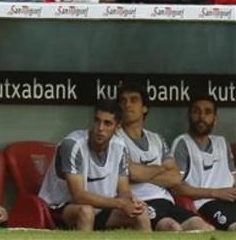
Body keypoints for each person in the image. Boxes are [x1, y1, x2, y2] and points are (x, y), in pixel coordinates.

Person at [39, 100, 152, 232]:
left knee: (140, 212)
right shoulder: (73, 145)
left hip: (102, 207)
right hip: (60, 207)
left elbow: (123, 190)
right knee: (86, 211)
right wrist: (121, 204)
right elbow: (78, 196)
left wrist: (131, 201)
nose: (100, 128)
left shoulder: (120, 147)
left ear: (118, 127)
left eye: (107, 123)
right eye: (97, 121)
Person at [115, 85, 214, 232]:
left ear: (144, 108)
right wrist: (161, 168)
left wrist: (142, 173)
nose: (127, 104)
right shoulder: (116, 137)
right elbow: (132, 172)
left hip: (166, 200)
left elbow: (175, 177)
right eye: (123, 101)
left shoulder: (156, 138)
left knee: (205, 228)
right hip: (140, 202)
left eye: (133, 100)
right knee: (172, 228)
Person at [170, 95, 236, 232]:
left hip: (230, 199)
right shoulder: (182, 144)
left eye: (207, 112)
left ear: (215, 119)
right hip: (207, 203)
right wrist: (215, 193)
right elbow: (177, 187)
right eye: (196, 111)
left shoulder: (221, 142)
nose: (201, 116)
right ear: (189, 115)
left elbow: (233, 176)